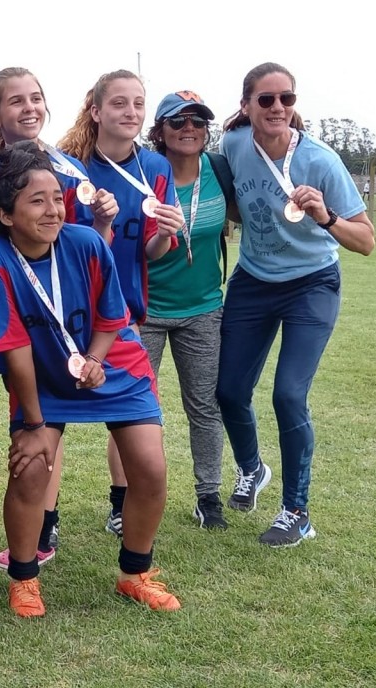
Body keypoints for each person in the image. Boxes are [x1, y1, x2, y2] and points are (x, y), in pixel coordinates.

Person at [0, 141, 181, 616]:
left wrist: (94, 360)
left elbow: (112, 317)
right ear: (5, 215)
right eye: (37, 201)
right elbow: (14, 347)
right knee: (30, 469)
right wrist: (33, 423)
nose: (53, 210)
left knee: (150, 468)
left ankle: (135, 574)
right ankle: (24, 578)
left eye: (56, 198)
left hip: (115, 365)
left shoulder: (86, 242)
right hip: (43, 374)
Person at [216, 62, 374, 547]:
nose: (278, 107)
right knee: (228, 390)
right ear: (246, 105)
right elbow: (235, 200)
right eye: (266, 99)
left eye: (286, 98)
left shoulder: (321, 161)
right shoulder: (233, 144)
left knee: (288, 395)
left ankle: (296, 512)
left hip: (311, 284)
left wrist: (325, 216)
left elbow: (366, 240)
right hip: (254, 280)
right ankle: (252, 469)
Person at [0, 67, 118, 571]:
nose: (29, 108)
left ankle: (44, 528)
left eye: (36, 98)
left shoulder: (68, 167)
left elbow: (82, 252)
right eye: (16, 100)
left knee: (45, 423)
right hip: (3, 302)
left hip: (62, 318)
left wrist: (102, 221)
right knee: (28, 418)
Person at [57, 70, 183, 540]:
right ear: (95, 111)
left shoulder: (156, 168)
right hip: (67, 313)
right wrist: (100, 225)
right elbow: (65, 251)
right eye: (119, 103)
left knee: (130, 418)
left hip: (125, 313)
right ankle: (46, 524)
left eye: (138, 104)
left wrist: (167, 232)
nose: (131, 112)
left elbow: (152, 250)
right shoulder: (70, 168)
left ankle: (119, 505)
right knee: (50, 420)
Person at [141, 91, 229, 530]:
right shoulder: (144, 173)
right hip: (146, 309)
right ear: (160, 131)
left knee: (205, 407)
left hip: (203, 309)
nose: (189, 128)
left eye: (198, 120)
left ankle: (208, 496)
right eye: (177, 121)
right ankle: (128, 499)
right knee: (138, 410)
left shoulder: (220, 169)